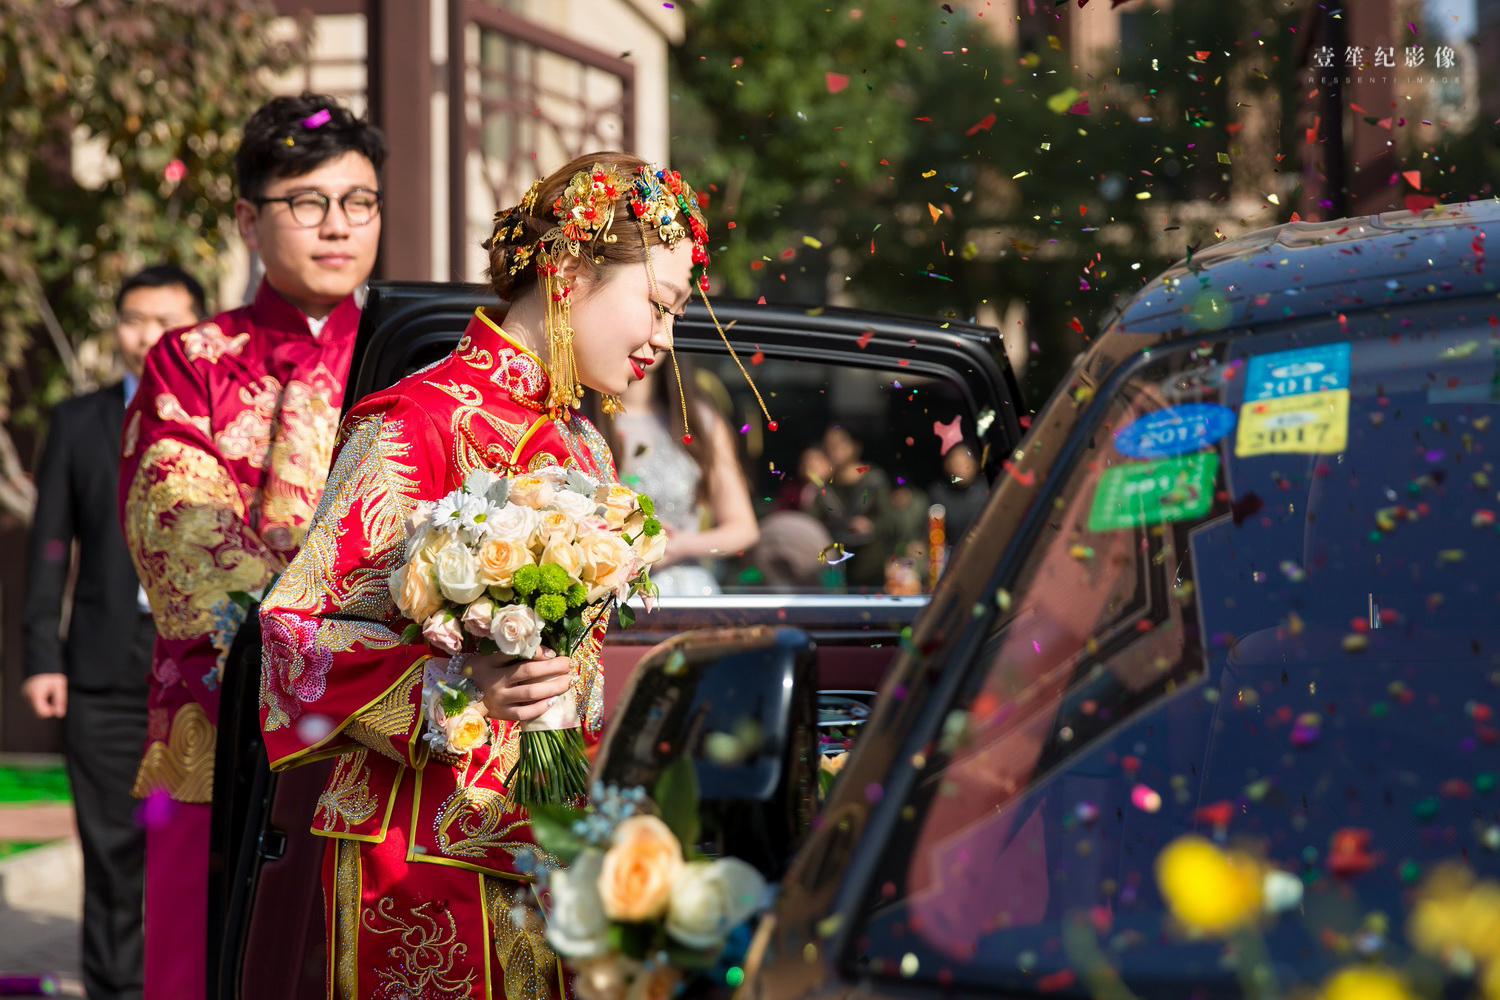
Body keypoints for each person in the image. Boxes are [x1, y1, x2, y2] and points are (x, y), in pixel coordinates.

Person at [257, 152, 754, 997]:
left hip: (554, 842)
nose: (665, 340)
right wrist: (456, 688)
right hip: (424, 857)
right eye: (658, 305)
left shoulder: (585, 443)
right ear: (569, 273)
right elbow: (293, 636)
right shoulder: (416, 423)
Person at [117, 93, 385, 1000]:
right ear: (247, 218)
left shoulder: (420, 364)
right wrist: (349, 643)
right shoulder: (187, 360)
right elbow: (180, 534)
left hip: (385, 740)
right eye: (308, 201)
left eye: (359, 201)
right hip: (217, 730)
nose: (339, 225)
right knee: (208, 969)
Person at [23, 264, 205, 1000]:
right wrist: (42, 657)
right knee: (110, 851)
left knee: (191, 849)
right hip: (102, 669)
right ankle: (115, 989)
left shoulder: (226, 420)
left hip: (203, 666)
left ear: (198, 328)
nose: (148, 335)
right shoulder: (78, 421)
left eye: (167, 320)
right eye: (135, 319)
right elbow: (48, 548)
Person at [588, 356, 759, 594]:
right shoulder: (579, 419)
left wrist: (680, 546)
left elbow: (743, 529)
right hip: (605, 591)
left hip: (687, 593)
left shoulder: (699, 421)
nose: (649, 340)